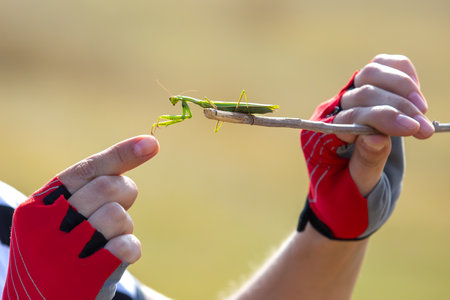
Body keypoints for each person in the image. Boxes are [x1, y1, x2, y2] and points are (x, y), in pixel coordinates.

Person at [0, 54, 434, 300]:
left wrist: (330, 236)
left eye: (176, 101)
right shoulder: (30, 259)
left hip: (245, 110)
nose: (175, 104)